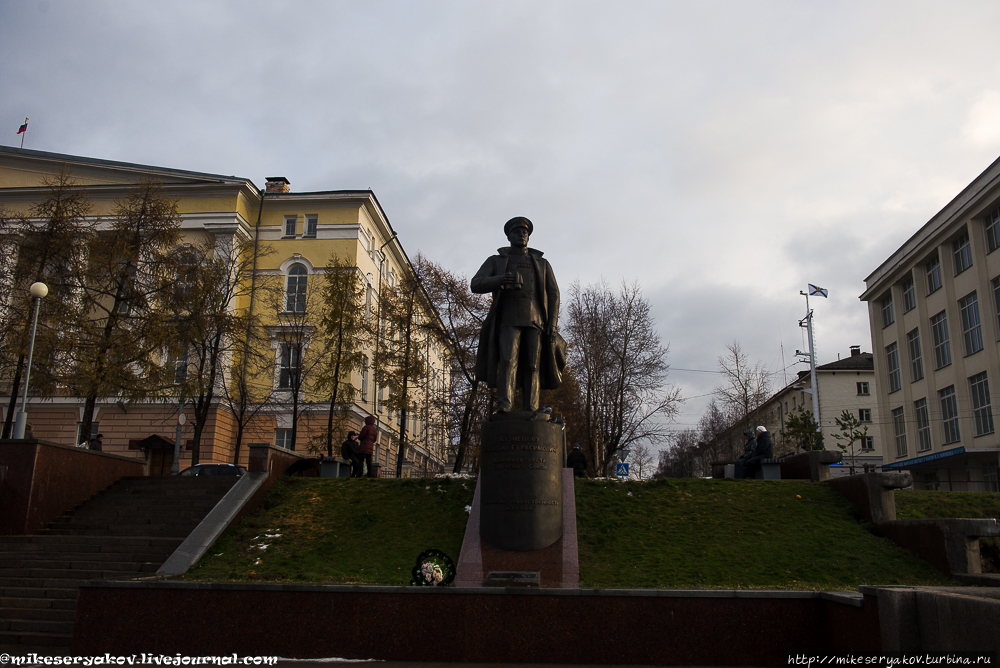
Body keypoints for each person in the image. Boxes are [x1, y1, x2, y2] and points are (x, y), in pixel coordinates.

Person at [471, 217, 565, 413]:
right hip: (508, 318)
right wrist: (500, 279)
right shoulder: (496, 261)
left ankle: (531, 407)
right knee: (508, 361)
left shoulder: (542, 263)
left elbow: (554, 293)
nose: (522, 235)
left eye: (525, 232)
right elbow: (476, 283)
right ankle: (505, 406)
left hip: (536, 320)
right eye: (517, 232)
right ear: (508, 236)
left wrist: (552, 323)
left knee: (533, 365)